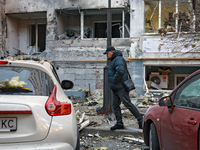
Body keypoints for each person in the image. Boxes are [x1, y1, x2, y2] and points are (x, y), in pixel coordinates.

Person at [103, 46, 143, 131]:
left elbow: (120, 71)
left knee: (127, 103)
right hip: (116, 88)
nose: (107, 55)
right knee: (115, 105)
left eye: (107, 53)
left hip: (120, 87)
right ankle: (119, 123)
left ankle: (141, 120)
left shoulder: (118, 59)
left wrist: (114, 80)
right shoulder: (114, 60)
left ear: (112, 51)